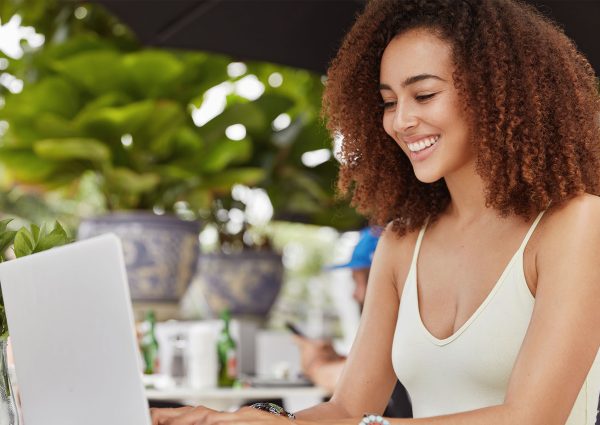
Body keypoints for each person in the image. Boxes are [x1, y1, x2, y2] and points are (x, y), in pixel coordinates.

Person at [151, 0, 600, 424]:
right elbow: (347, 408)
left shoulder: (577, 224)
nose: (400, 120)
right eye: (388, 101)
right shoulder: (403, 244)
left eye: (423, 95)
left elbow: (531, 418)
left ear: (499, 92)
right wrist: (245, 418)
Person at [294, 228, 412, 418]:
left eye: (358, 281)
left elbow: (355, 389)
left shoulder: (406, 334)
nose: (354, 294)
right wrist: (336, 358)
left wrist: (314, 363)